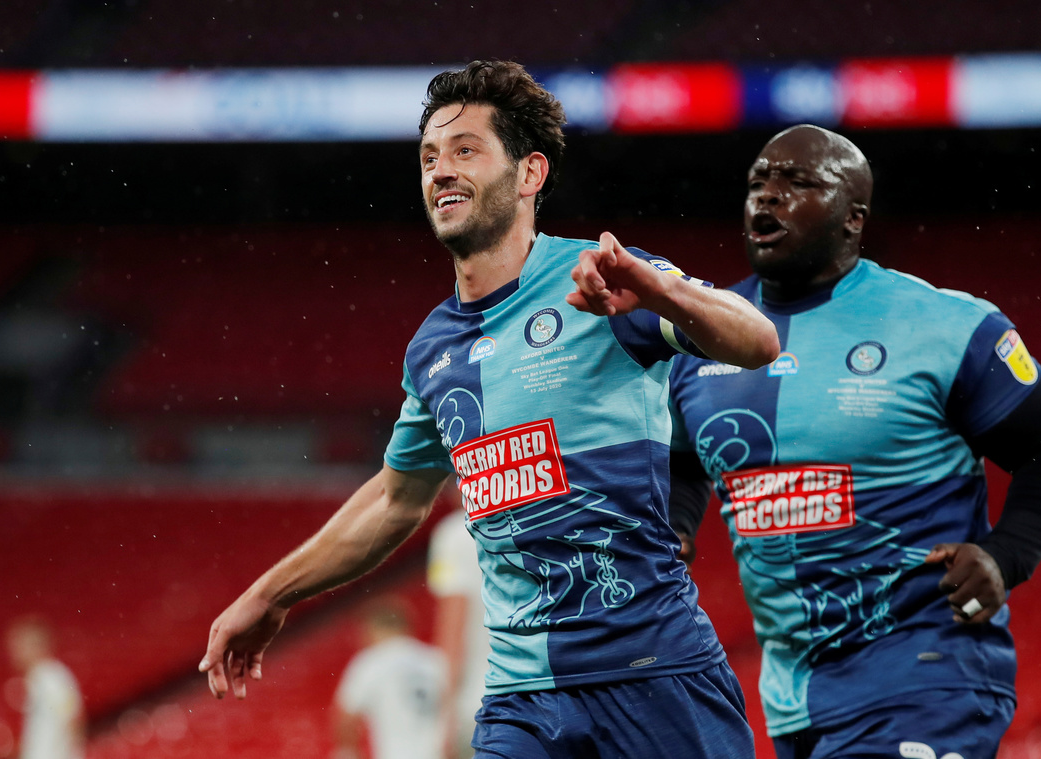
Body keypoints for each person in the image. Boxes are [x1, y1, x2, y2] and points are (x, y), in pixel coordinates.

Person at [199, 60, 781, 759]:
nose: (440, 170)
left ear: (530, 173)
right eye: (429, 158)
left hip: (654, 675)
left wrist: (664, 294)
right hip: (520, 701)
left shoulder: (605, 279)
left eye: (465, 150)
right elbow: (395, 498)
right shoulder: (433, 349)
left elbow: (757, 341)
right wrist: (271, 594)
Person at [666, 124, 1041, 759]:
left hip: (927, 671)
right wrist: (675, 526)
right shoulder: (701, 336)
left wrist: (1005, 555)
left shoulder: (947, 325)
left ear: (854, 218)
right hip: (791, 696)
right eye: (758, 182)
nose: (768, 195)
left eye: (798, 182)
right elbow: (681, 460)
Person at [333, 598, 446, 759]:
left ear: (372, 629)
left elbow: (346, 718)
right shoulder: (435, 659)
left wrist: (350, 751)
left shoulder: (369, 663)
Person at [427, 488, 491, 759]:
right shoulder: (530, 525)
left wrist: (446, 713)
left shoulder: (455, 533)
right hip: (533, 694)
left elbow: (454, 626)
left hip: (478, 701)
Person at [6, 616, 85, 759]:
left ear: (36, 646)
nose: (13, 652)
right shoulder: (41, 677)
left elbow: (73, 720)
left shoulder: (50, 677)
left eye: (19, 646)